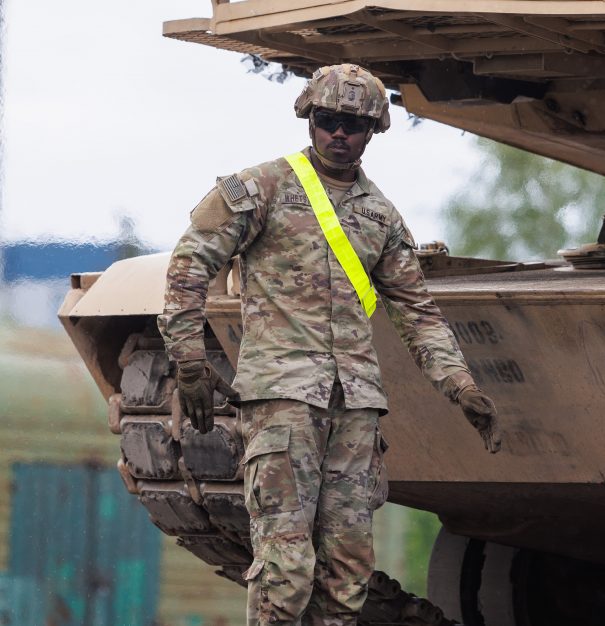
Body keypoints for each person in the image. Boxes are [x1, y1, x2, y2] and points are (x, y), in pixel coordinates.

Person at [158, 64, 501, 626]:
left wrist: (458, 385)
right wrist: (189, 364)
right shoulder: (262, 188)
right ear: (309, 119)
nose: (339, 134)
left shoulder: (379, 215)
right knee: (285, 568)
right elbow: (190, 266)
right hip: (283, 401)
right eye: (328, 120)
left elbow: (416, 310)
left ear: (374, 131)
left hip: (355, 409)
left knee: (347, 571)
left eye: (354, 124)